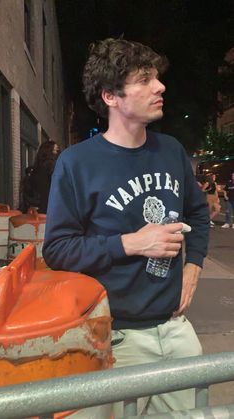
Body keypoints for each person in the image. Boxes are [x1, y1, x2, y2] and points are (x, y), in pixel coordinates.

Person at [43, 38, 209, 415]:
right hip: (115, 336)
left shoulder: (171, 151)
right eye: (145, 79)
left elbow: (197, 214)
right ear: (110, 97)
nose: (160, 86)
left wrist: (194, 265)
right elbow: (57, 249)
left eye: (158, 77)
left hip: (176, 327)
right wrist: (131, 243)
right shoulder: (77, 163)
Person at [31, 140, 60, 213]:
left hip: (39, 203)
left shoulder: (38, 165)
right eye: (55, 150)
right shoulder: (51, 164)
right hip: (50, 203)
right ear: (49, 151)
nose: (57, 153)